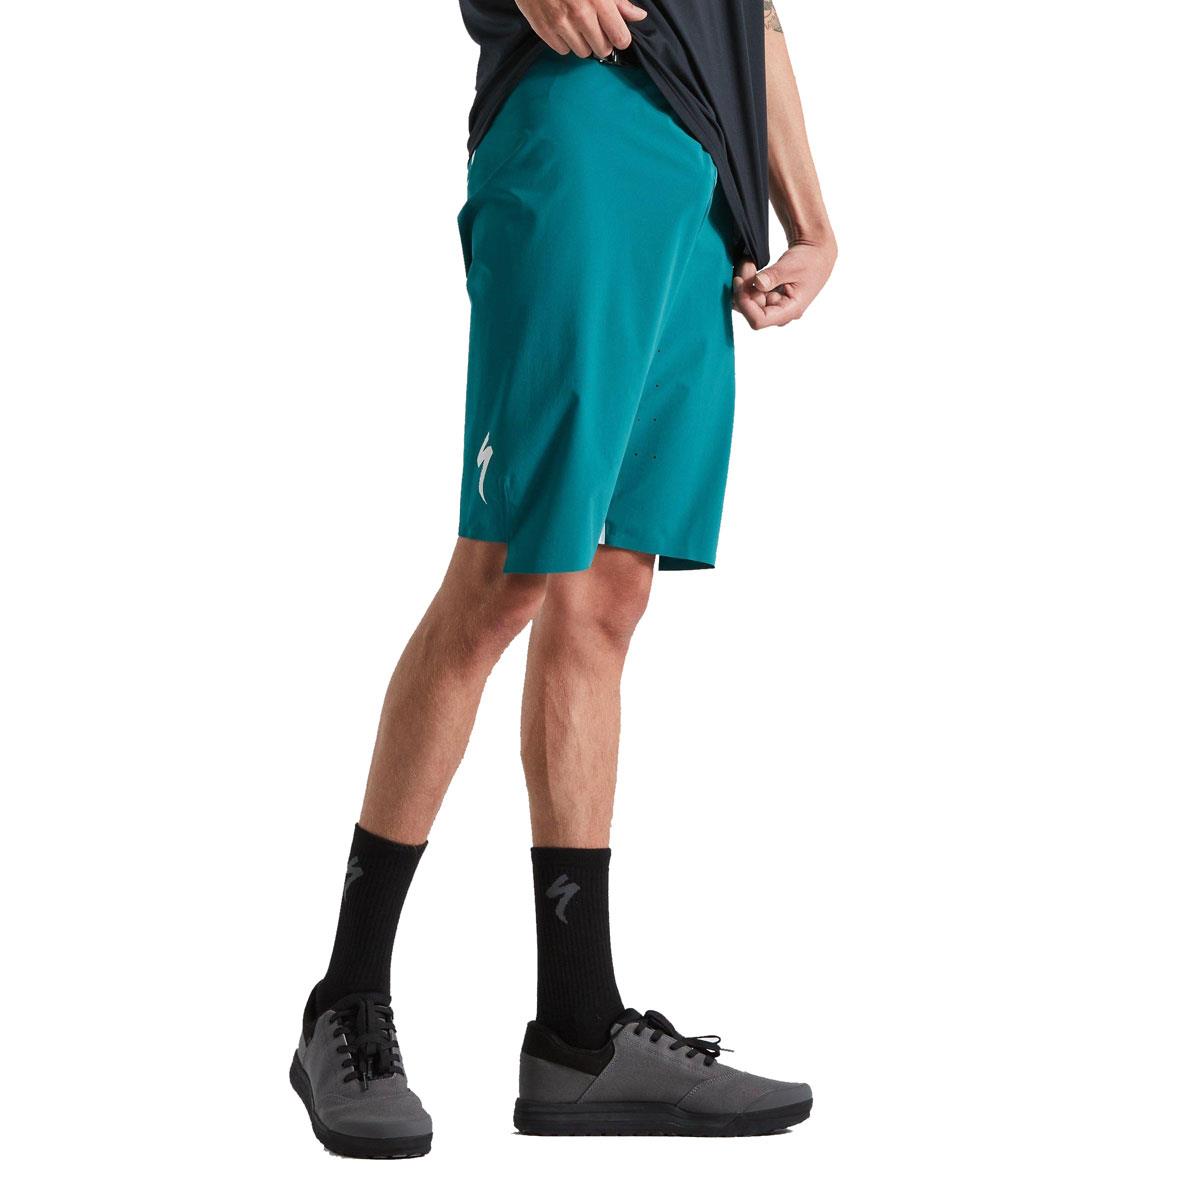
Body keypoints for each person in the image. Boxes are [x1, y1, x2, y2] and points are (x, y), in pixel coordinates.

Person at [289, 0, 836, 1158]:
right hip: (584, 118)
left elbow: (758, 17)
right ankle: (346, 999)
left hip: (705, 184)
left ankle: (580, 1036)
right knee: (507, 575)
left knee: (608, 595)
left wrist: (813, 221)